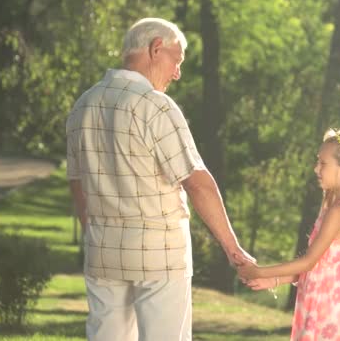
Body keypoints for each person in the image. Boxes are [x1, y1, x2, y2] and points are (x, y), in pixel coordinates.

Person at [66, 18, 254, 341]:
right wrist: (233, 249)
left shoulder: (83, 106)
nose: (177, 73)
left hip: (103, 254)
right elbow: (197, 182)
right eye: (176, 61)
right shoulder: (155, 106)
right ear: (156, 48)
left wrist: (95, 233)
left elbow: (78, 184)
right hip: (160, 256)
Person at [237, 128, 340, 340]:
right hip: (324, 303)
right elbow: (320, 265)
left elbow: (308, 262)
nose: (316, 169)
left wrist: (259, 272)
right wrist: (274, 281)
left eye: (323, 163)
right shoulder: (335, 208)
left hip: (328, 308)